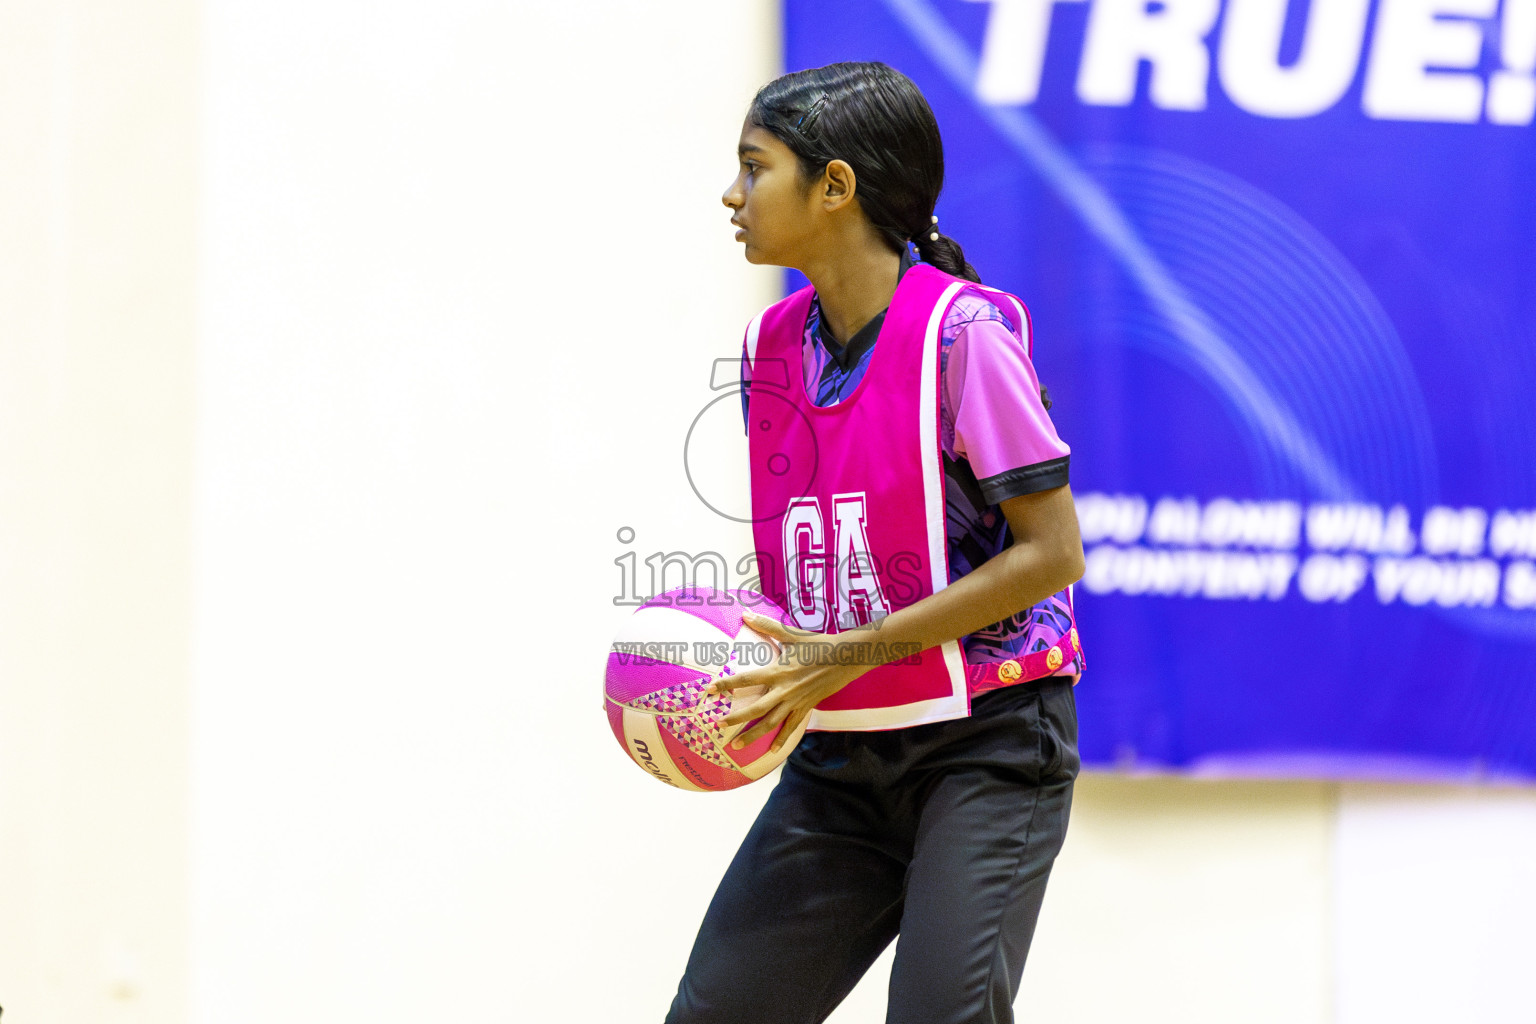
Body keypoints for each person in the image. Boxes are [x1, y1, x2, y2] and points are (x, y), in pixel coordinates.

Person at [666, 62, 1085, 1024]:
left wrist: (839, 657)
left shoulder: (963, 335)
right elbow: (828, 558)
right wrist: (750, 668)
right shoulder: (772, 346)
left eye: (754, 167)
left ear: (836, 186)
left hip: (987, 746)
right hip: (844, 752)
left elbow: (1053, 554)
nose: (732, 194)